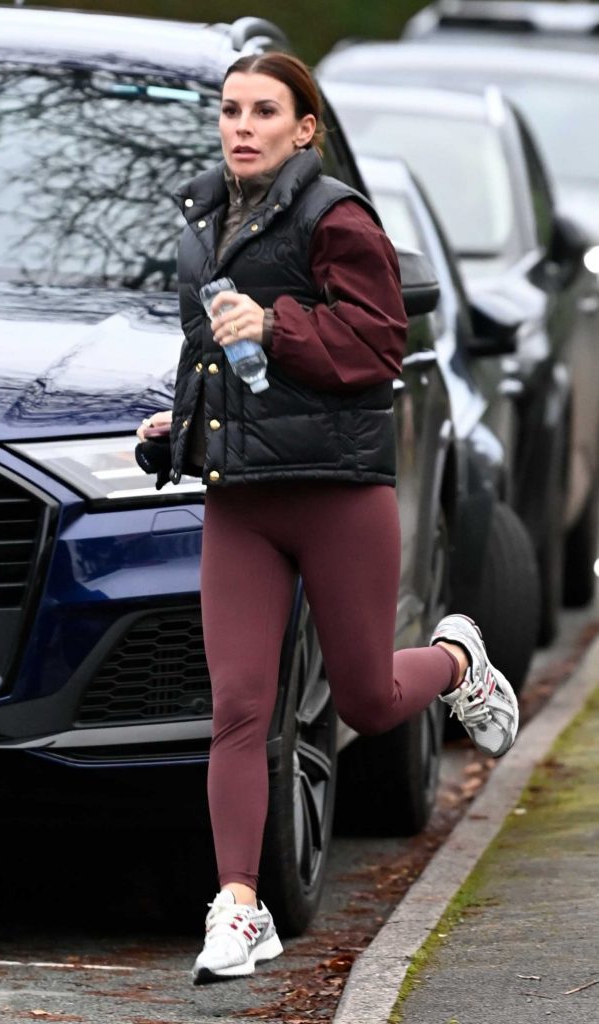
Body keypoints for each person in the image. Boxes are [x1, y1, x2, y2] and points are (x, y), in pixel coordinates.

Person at [136, 52, 519, 986]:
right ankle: (238, 905)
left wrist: (275, 326)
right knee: (238, 707)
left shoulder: (336, 216)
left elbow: (380, 346)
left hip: (340, 493)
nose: (243, 126)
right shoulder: (205, 218)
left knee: (366, 701)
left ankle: (458, 657)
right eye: (231, 110)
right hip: (243, 501)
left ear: (304, 128)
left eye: (265, 111)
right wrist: (179, 421)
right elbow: (214, 357)